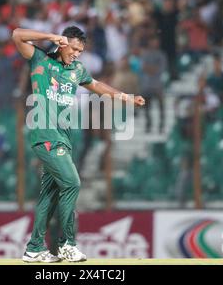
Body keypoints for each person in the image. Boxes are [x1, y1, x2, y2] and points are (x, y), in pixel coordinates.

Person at [12, 26, 145, 263]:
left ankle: (33, 248)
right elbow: (16, 35)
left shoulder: (76, 70)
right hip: (45, 135)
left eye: (80, 50)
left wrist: (126, 97)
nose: (77, 54)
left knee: (49, 195)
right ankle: (67, 244)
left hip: (64, 137)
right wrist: (49, 37)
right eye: (74, 48)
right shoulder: (40, 59)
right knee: (72, 182)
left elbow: (97, 86)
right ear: (62, 43)